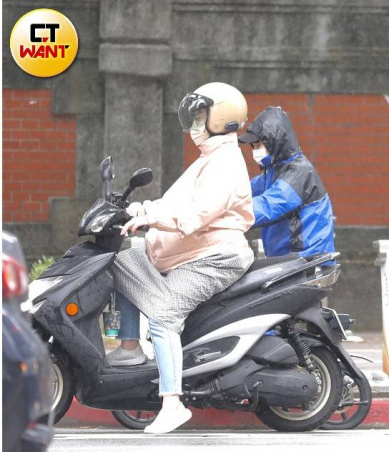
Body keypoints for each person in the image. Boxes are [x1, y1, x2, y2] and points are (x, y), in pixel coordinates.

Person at [105, 82, 255, 434]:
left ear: (222, 120)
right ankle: (129, 348)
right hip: (193, 252)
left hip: (216, 258)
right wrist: (137, 209)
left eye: (202, 116)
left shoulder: (226, 164)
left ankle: (172, 404)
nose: (195, 123)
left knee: (163, 317)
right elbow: (175, 203)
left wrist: (151, 219)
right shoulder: (209, 158)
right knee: (124, 261)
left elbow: (196, 216)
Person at [238, 106, 335, 259]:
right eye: (254, 146)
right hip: (289, 261)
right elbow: (241, 192)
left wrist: (226, 215)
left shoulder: (300, 172)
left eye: (258, 145)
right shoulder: (273, 173)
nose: (255, 151)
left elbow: (268, 206)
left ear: (274, 142)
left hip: (308, 261)